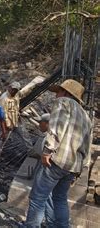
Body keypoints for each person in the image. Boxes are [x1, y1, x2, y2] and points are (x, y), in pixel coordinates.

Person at [25, 79, 92, 228]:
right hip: (73, 166)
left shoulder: (63, 103)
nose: (56, 96)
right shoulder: (86, 117)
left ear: (66, 93)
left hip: (57, 160)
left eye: (58, 92)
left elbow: (56, 128)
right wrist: (80, 170)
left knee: (38, 198)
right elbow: (87, 146)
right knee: (60, 198)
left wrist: (47, 151)